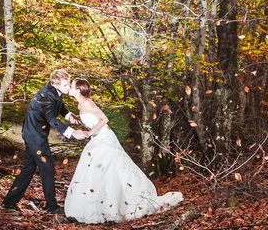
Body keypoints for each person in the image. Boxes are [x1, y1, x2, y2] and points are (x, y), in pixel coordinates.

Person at [64, 78, 183, 224]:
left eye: (71, 86)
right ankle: (100, 205)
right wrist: (78, 119)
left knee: (111, 168)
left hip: (104, 138)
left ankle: (118, 204)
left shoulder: (87, 102)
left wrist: (89, 133)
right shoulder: (80, 104)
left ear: (78, 89)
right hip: (97, 139)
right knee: (99, 170)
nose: (69, 87)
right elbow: (92, 119)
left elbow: (104, 119)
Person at [1, 70, 87, 215]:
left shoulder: (53, 91)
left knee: (28, 169)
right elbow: (51, 119)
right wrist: (72, 132)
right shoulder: (48, 96)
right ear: (55, 84)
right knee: (47, 168)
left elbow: (58, 104)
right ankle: (52, 207)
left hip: (33, 133)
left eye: (68, 83)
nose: (68, 87)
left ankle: (9, 202)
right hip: (35, 136)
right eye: (65, 85)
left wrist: (68, 114)